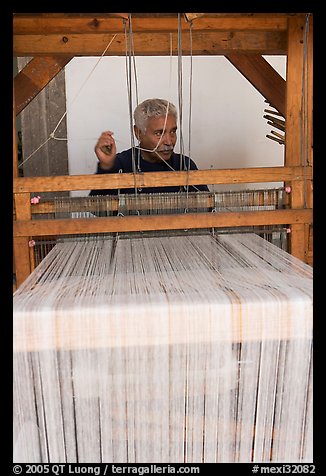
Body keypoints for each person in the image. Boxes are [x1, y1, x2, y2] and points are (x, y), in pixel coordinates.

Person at [89, 98, 209, 195]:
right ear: (138, 133)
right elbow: (97, 208)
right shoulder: (121, 164)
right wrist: (106, 166)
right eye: (159, 133)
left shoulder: (184, 164)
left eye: (172, 132)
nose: (169, 141)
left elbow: (207, 208)